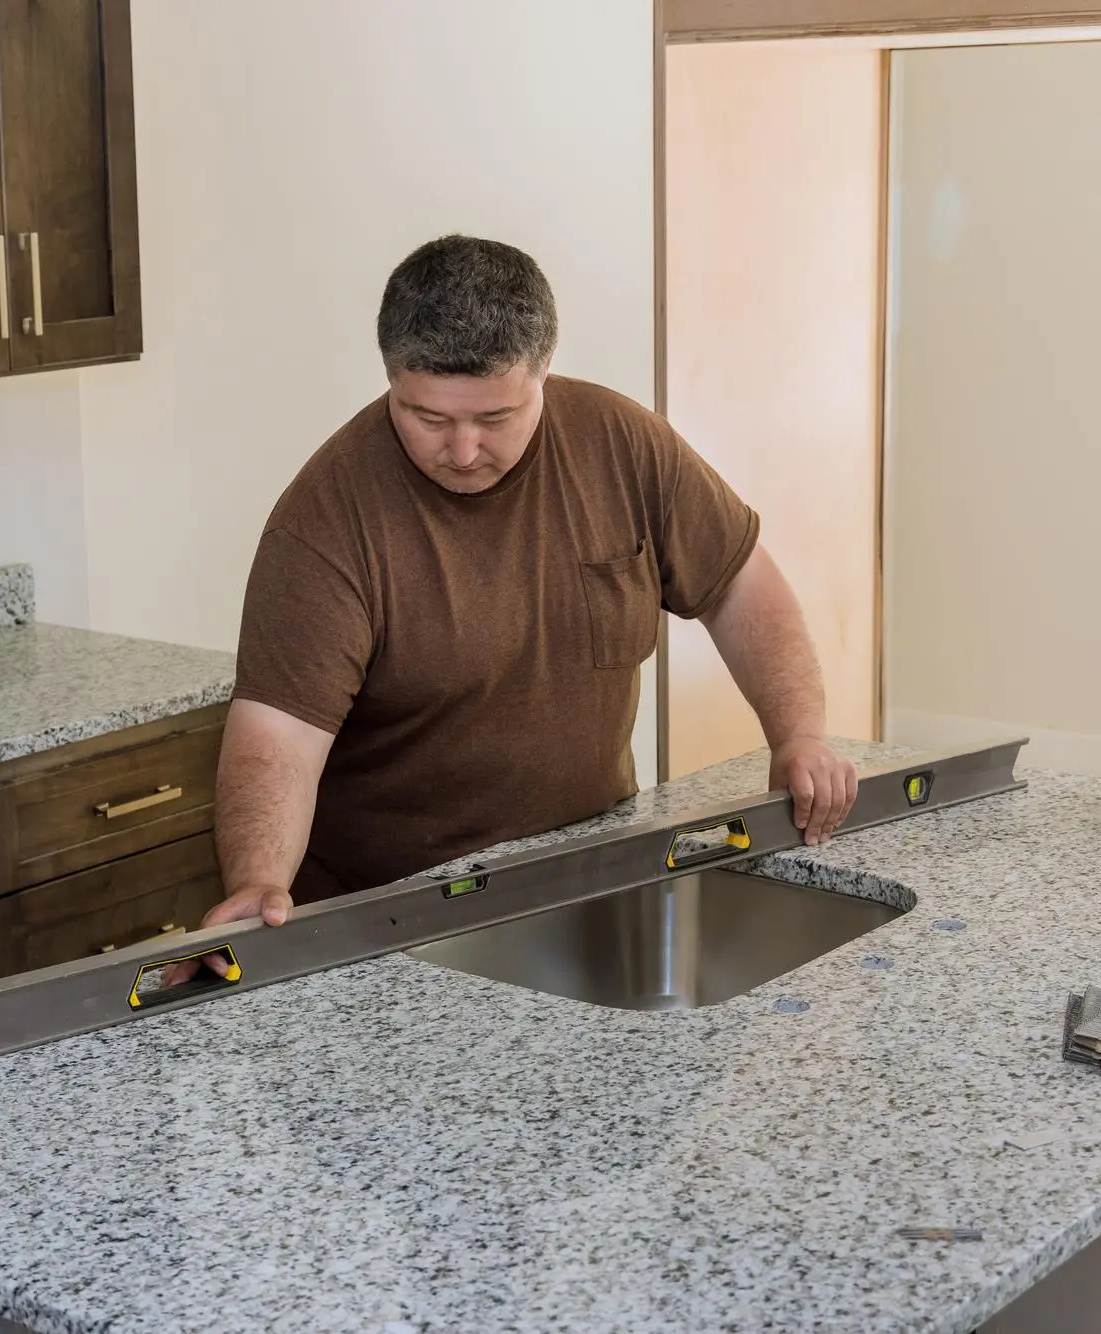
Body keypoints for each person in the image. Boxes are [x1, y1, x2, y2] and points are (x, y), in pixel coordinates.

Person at [205, 234, 857, 934]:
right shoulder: (325, 522)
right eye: (427, 417)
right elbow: (277, 736)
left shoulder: (621, 444)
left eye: (494, 418)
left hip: (591, 876)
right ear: (390, 378)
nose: (461, 450)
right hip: (399, 911)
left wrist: (798, 737)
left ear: (544, 370)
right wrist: (259, 880)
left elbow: (740, 588)